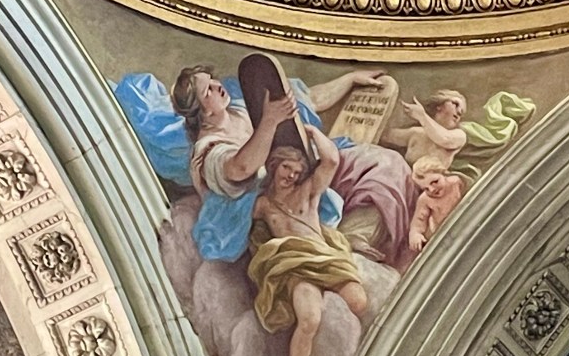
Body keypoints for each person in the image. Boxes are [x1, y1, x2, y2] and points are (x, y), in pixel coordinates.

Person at [169, 62, 417, 267]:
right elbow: (240, 168)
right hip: (278, 202)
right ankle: (347, 244)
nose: (217, 86)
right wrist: (269, 121)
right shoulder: (208, 150)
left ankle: (356, 234)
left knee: (388, 164)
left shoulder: (239, 109)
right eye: (208, 91)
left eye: (213, 80)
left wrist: (350, 79)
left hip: (303, 170)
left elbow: (308, 100)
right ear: (202, 111)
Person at [248, 125, 367, 356]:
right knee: (310, 319)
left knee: (359, 302)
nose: (291, 175)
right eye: (286, 168)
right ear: (274, 166)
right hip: (295, 267)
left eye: (297, 172)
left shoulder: (307, 192)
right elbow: (236, 214)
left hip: (324, 259)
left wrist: (312, 131)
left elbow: (331, 161)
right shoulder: (263, 204)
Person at [382, 88, 468, 168]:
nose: (459, 112)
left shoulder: (459, 136)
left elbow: (445, 139)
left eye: (462, 112)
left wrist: (421, 116)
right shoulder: (416, 132)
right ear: (439, 106)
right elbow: (383, 136)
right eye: (455, 104)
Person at [407, 156, 468, 252]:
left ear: (443, 173)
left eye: (434, 182)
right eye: (426, 189)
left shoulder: (457, 182)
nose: (432, 189)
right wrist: (415, 234)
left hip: (467, 222)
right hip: (445, 235)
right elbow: (418, 221)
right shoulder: (425, 199)